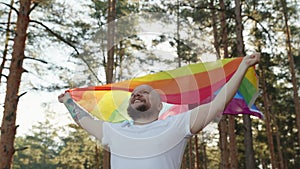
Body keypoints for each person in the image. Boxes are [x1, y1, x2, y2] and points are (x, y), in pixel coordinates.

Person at [58, 53, 260, 169]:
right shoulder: (114, 130)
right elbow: (83, 120)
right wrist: (68, 102)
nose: (137, 95)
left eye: (145, 92)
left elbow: (218, 103)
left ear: (159, 105)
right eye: (135, 94)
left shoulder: (177, 125)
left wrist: (242, 66)